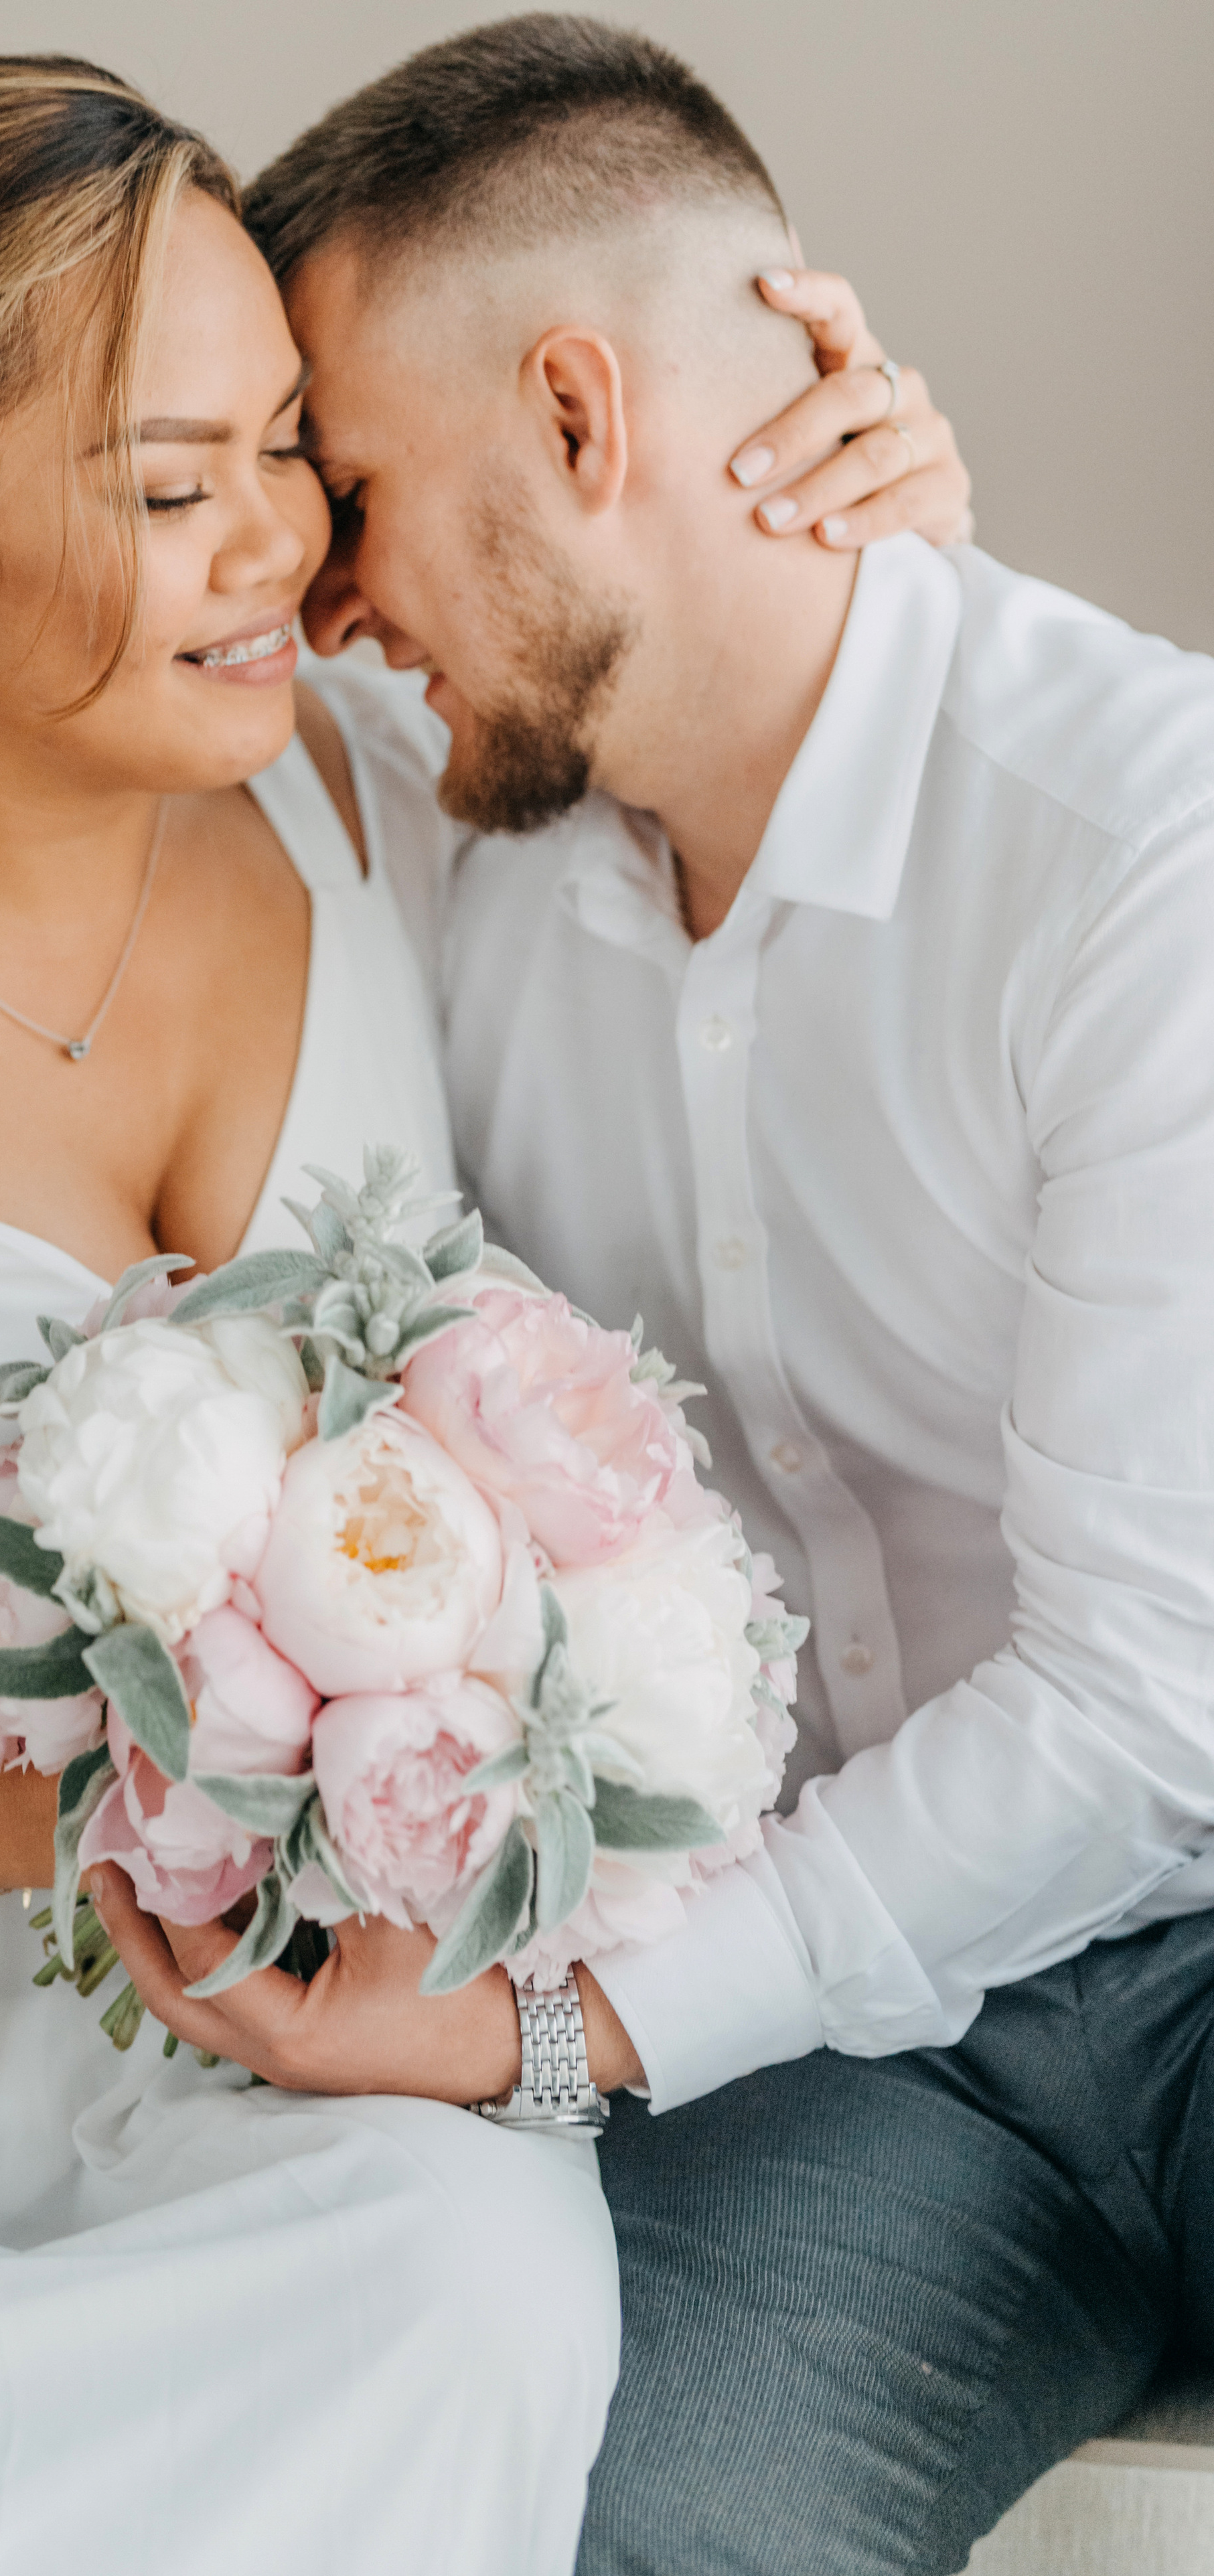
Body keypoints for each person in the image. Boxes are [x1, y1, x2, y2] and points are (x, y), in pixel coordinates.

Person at [0, 48, 963, 2576]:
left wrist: (843, 542)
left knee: (471, 2276)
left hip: (254, 2045)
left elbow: (683, 700)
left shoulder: (358, 796)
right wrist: (93, 1802)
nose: (283, 545)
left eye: (289, 444)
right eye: (174, 490)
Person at [97, 18, 1214, 2575]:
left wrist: (552, 2032)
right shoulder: (448, 865)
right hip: (861, 2065)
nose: (322, 583)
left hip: (1162, 1912)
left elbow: (1158, 1694)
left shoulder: (1142, 843)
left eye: (346, 483)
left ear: (581, 419)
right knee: (619, 2533)